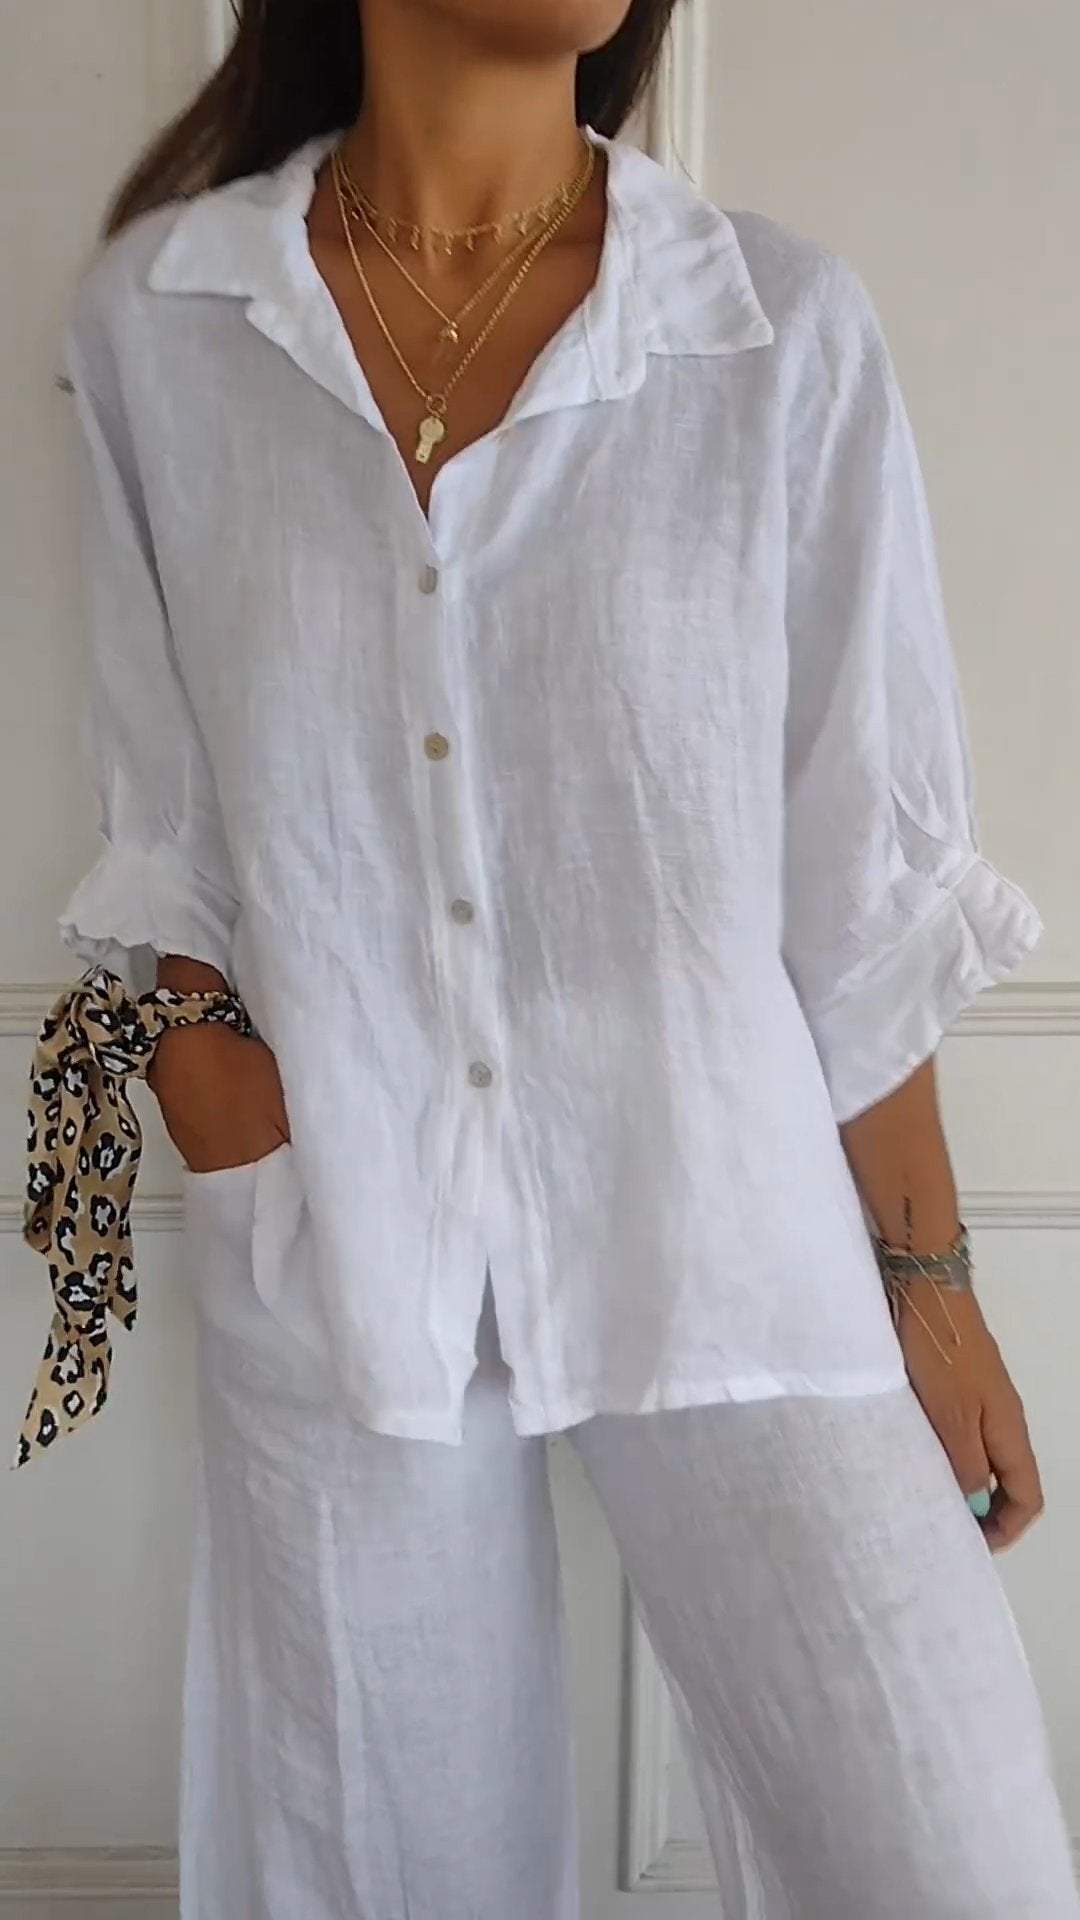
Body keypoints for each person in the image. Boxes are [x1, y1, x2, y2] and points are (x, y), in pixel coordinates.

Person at [37, 0, 1079, 1913]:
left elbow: (854, 872)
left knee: (958, 1862)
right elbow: (166, 823)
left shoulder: (768, 330)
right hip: (342, 1236)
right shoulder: (165, 326)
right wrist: (227, 1103)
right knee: (381, 1871)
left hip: (727, 1213)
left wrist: (929, 1289)